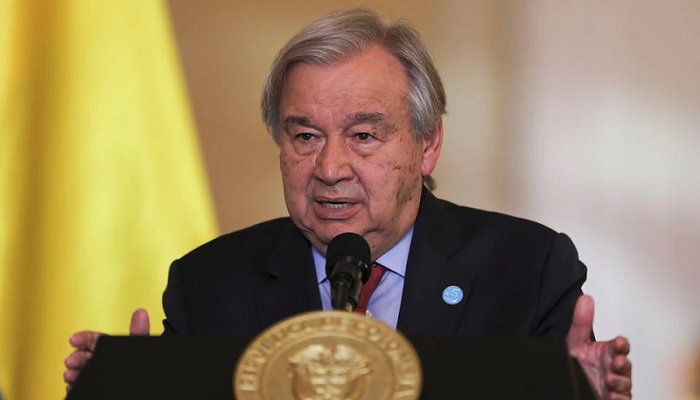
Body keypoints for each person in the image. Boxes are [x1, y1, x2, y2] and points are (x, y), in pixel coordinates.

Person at [64, 8, 632, 398]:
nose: (330, 169)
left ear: (427, 145)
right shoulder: (208, 285)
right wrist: (134, 385)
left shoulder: (526, 269)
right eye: (305, 136)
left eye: (363, 136)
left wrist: (575, 392)